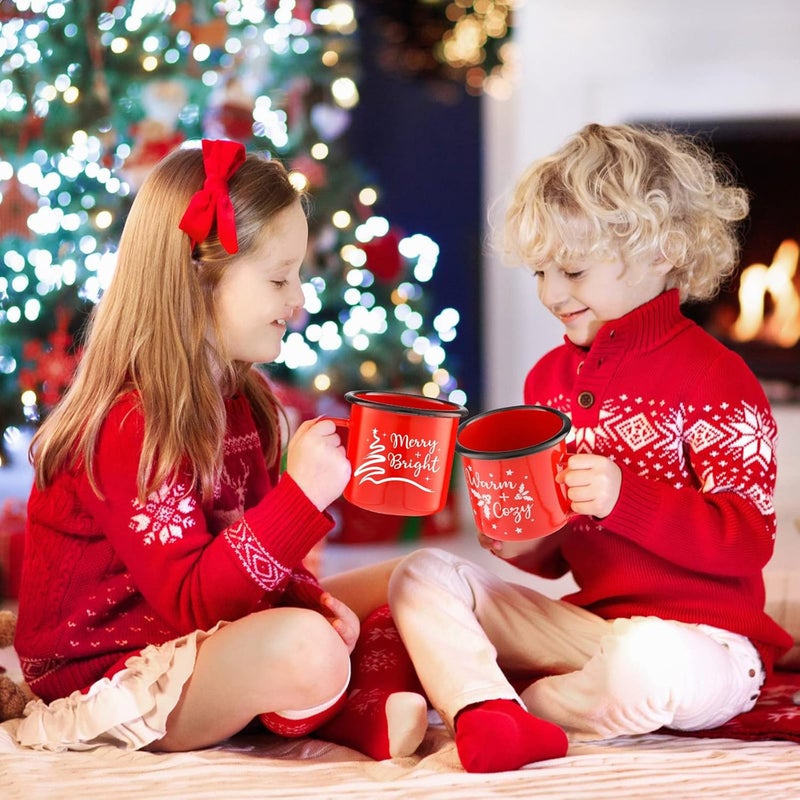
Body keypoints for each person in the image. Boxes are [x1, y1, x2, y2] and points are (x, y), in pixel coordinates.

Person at [387, 123, 793, 773]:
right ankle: (488, 711)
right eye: (541, 271)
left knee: (643, 667)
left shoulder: (718, 379)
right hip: (591, 630)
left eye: (572, 269)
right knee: (422, 575)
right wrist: (528, 543)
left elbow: (748, 538)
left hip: (706, 644)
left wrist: (624, 499)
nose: (551, 293)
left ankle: (507, 701)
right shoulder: (547, 380)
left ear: (662, 251)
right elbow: (562, 553)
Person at [13, 139, 427, 758]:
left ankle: (362, 701)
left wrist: (313, 596)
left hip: (207, 634)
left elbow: (257, 566)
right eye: (280, 278)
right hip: (114, 671)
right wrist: (301, 497)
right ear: (197, 283)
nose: (300, 301)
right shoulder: (130, 424)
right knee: (304, 647)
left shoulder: (242, 397)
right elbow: (192, 601)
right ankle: (346, 705)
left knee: (411, 579)